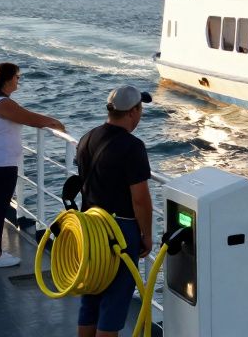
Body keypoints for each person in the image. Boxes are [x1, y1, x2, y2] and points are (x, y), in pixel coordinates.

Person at [0, 63, 65, 268]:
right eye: (17, 77)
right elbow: (30, 118)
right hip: (0, 163)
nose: (18, 80)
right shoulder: (3, 103)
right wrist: (55, 122)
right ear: (7, 80)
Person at [76, 85, 153, 337]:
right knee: (115, 301)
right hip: (120, 230)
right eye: (140, 109)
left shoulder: (87, 137)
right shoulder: (133, 146)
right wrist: (146, 235)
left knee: (91, 296)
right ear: (133, 111)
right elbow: (140, 199)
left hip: (90, 227)